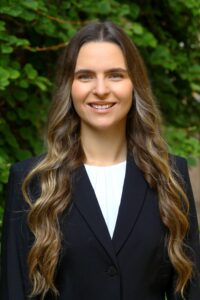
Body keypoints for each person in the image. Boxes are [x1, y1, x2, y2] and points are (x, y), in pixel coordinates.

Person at [0, 21, 200, 300]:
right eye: (85, 76)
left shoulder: (171, 176)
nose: (101, 89)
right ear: (69, 86)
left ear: (135, 84)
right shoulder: (30, 181)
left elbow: (191, 290)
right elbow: (14, 290)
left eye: (115, 75)